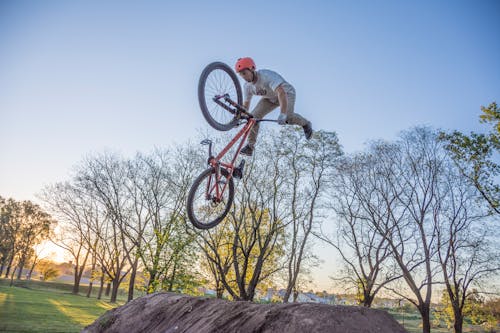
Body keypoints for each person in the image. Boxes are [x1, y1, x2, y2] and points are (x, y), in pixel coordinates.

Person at [235, 57, 313, 156]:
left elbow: (281, 92)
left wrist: (283, 113)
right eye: (241, 75)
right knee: (253, 118)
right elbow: (245, 105)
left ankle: (306, 124)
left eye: (245, 73)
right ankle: (250, 147)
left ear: (252, 69)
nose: (244, 77)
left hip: (286, 93)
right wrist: (239, 118)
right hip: (269, 98)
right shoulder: (247, 86)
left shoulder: (266, 76)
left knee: (288, 118)